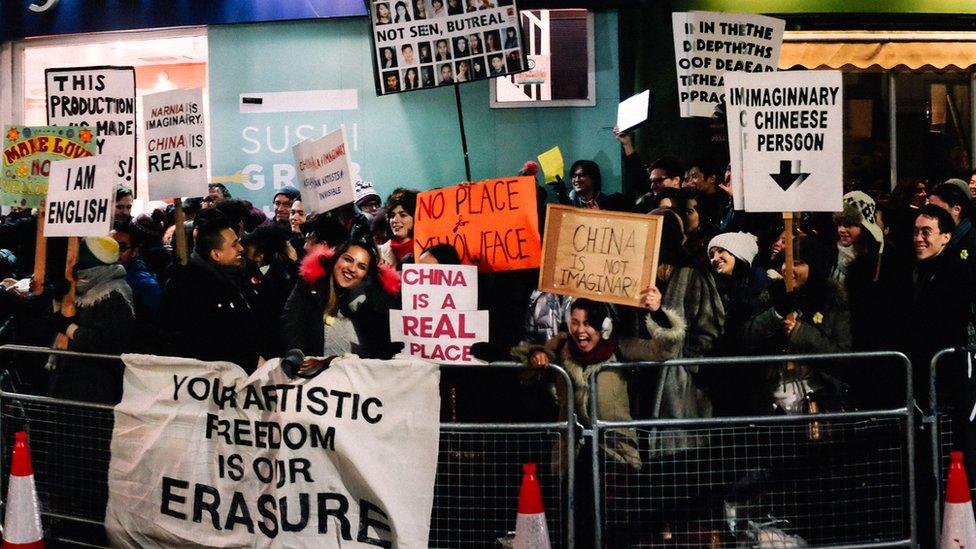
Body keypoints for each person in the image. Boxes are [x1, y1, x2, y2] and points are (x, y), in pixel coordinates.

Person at [516, 292, 685, 470]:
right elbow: (526, 372)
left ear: (605, 326)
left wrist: (657, 312)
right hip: (571, 456)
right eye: (575, 323)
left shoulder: (619, 347)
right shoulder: (561, 346)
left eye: (587, 324)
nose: (580, 330)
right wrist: (536, 356)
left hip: (616, 453)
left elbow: (664, 350)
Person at [740, 236, 852, 415]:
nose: (788, 268)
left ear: (815, 267)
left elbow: (843, 358)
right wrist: (775, 313)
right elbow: (746, 337)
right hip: (771, 403)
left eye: (797, 262)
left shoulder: (833, 304)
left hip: (817, 402)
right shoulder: (771, 295)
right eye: (785, 261)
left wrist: (803, 334)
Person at [159, 214, 262, 373]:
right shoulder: (189, 287)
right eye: (234, 245)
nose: (241, 248)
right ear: (216, 254)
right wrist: (250, 358)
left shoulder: (238, 274)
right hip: (213, 378)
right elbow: (206, 338)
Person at [49, 236, 134, 404]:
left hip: (96, 386)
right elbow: (61, 319)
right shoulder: (83, 287)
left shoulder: (114, 294)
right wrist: (58, 301)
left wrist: (69, 328)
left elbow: (105, 342)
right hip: (70, 378)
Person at [281, 239, 400, 358]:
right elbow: (292, 321)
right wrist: (295, 353)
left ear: (366, 275)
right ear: (335, 259)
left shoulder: (374, 299)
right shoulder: (309, 284)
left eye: (361, 266)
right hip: (315, 372)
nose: (352, 269)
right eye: (348, 259)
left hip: (358, 373)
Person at [242, 225, 295, 360]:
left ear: (259, 256)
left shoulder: (280, 281)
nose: (241, 251)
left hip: (271, 351)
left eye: (245, 252)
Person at [550, 159, 630, 211]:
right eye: (574, 176)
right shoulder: (572, 202)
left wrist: (600, 217)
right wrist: (561, 195)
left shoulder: (610, 203)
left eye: (581, 175)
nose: (576, 180)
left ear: (593, 178)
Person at [379, 188, 418, 268]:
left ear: (416, 217)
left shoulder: (429, 252)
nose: (395, 220)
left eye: (403, 215)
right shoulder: (380, 253)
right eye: (392, 216)